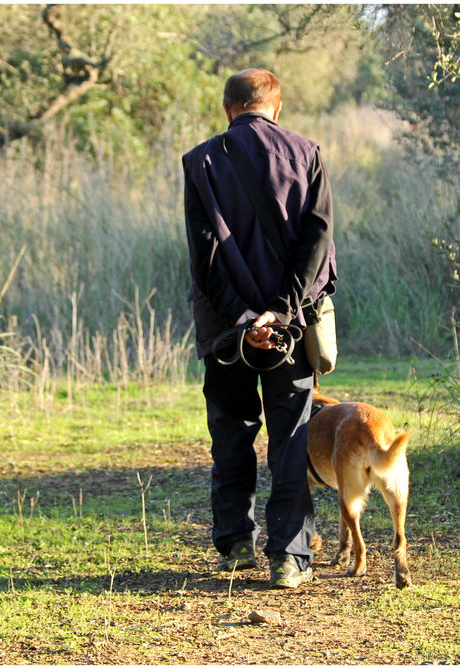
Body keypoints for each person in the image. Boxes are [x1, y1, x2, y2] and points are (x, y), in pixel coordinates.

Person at [181, 68, 337, 589]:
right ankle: (290, 559)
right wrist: (281, 311)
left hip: (226, 330)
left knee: (231, 433)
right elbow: (316, 243)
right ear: (277, 108)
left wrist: (244, 318)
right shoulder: (308, 154)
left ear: (228, 109)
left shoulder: (199, 161)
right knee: (290, 438)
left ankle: (234, 547)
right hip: (289, 328)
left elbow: (204, 259)